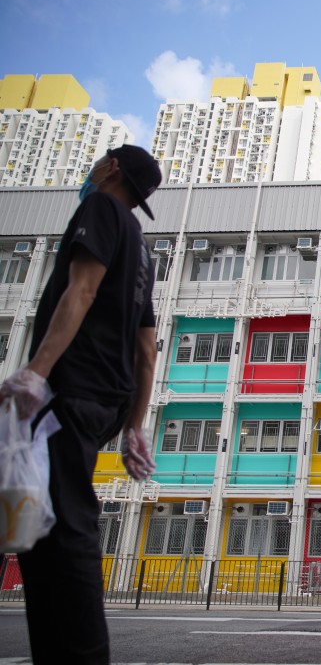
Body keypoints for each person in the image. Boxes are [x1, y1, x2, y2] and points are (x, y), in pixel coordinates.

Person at [0, 145, 161, 664]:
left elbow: (81, 290)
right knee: (41, 529)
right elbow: (146, 350)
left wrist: (36, 371)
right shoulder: (140, 246)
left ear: (111, 167)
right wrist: (135, 425)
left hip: (72, 387)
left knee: (66, 525)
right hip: (107, 401)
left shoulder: (101, 209)